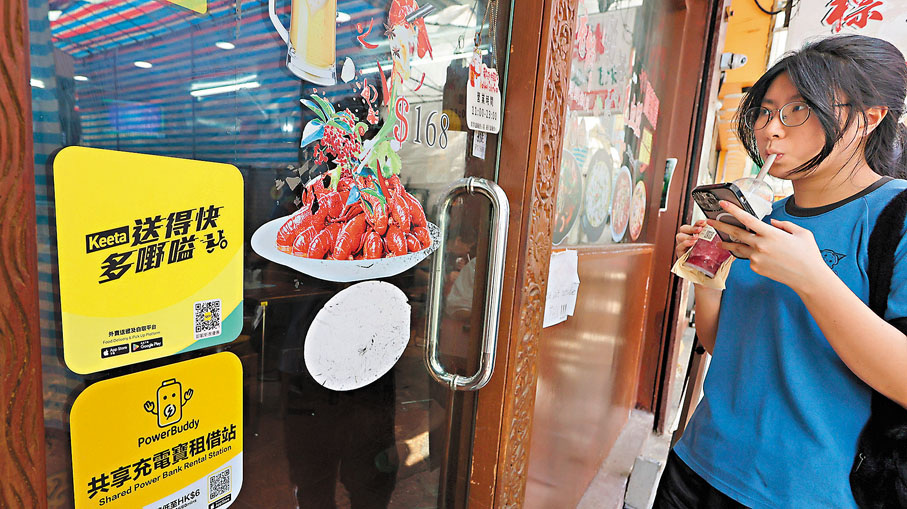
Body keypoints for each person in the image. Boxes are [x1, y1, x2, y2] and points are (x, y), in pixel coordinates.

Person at [656, 35, 907, 508]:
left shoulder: (895, 217)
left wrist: (811, 279)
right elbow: (722, 345)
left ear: (868, 119)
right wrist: (709, 270)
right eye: (766, 111)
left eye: (799, 110)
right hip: (698, 465)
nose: (771, 130)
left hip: (807, 494)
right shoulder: (764, 217)